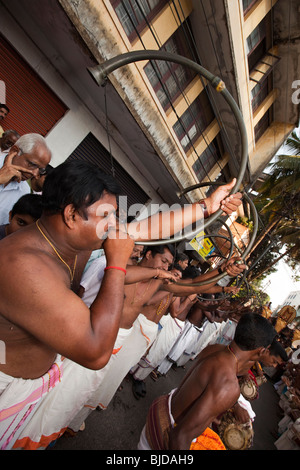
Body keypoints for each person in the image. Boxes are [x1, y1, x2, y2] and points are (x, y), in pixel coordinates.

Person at [0, 162, 243, 449]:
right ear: (71, 214)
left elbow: (144, 229)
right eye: (108, 217)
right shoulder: (24, 264)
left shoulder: (68, 238)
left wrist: (206, 206)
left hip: (29, 387)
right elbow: (96, 352)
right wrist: (117, 264)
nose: (116, 226)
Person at [138, 312, 277, 450]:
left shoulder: (215, 349)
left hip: (161, 412)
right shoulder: (229, 385)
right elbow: (179, 437)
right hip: (162, 435)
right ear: (261, 350)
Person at [0, 133, 51, 224]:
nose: (35, 174)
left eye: (40, 169)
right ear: (14, 151)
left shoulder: (24, 192)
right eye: (32, 164)